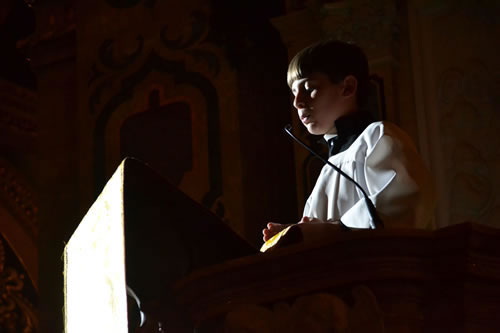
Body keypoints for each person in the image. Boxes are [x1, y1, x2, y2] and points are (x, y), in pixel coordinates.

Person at [262, 40, 436, 244]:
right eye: (293, 92)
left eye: (309, 89)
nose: (297, 102)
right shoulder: (327, 170)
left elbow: (405, 204)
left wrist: (331, 231)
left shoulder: (378, 136)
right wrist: (294, 234)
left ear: (348, 87)